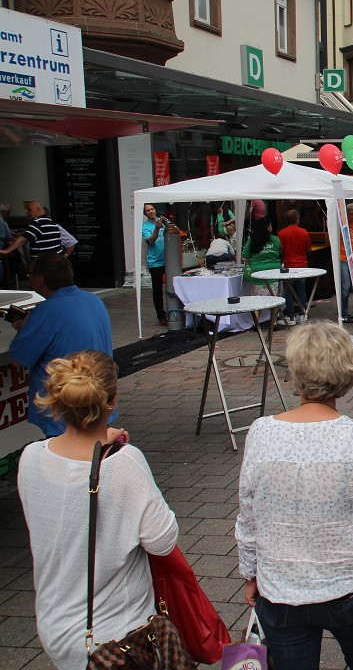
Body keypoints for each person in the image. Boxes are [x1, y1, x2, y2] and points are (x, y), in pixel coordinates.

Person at [237, 322, 353, 670]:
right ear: (346, 372)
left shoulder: (261, 432)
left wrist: (250, 572)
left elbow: (249, 514)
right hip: (348, 588)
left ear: (295, 370)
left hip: (281, 590)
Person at [19, 350, 177, 670]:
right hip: (117, 636)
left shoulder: (30, 458)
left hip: (56, 628)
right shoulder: (125, 464)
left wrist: (102, 442)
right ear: (112, 400)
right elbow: (163, 541)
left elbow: (70, 491)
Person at [11, 253, 114, 439]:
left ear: (40, 279)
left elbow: (19, 359)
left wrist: (23, 327)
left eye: (29, 275)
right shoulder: (93, 300)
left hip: (66, 412)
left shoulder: (46, 312)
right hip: (99, 401)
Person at [277, 209, 313, 325]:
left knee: (288, 291)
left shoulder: (281, 233)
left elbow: (280, 250)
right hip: (302, 264)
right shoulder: (304, 232)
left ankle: (290, 315)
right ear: (297, 219)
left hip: (288, 265)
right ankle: (303, 314)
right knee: (301, 290)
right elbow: (308, 249)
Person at [242, 215, 282, 301]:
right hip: (273, 275)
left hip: (257, 275)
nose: (271, 227)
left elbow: (244, 258)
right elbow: (280, 252)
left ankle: (257, 315)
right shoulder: (275, 240)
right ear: (267, 227)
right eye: (270, 225)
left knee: (257, 304)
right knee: (273, 302)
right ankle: (273, 315)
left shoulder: (252, 240)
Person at [141, 203, 168, 326]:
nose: (151, 212)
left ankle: (175, 312)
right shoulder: (145, 226)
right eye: (148, 210)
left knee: (174, 287)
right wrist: (157, 228)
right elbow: (151, 240)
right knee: (157, 291)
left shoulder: (163, 222)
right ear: (145, 213)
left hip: (168, 260)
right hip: (155, 262)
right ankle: (161, 316)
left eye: (152, 209)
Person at [338, 203, 353, 323]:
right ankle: (342, 313)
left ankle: (345, 312)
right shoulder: (340, 224)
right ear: (349, 213)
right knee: (346, 286)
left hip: (351, 258)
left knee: (350, 286)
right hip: (342, 257)